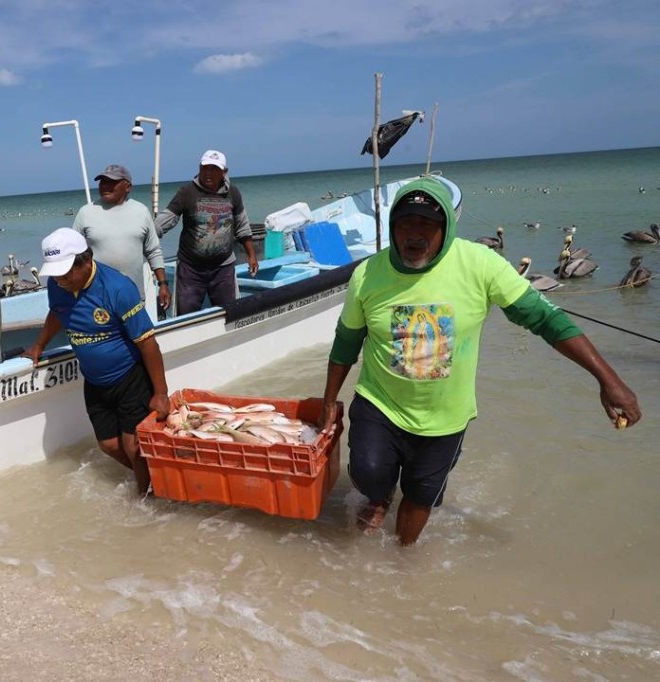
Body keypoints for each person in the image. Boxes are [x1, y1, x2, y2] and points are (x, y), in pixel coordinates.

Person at [318, 177, 641, 546]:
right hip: (380, 404)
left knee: (420, 498)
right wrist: (329, 401)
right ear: (393, 227)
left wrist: (608, 379)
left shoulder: (481, 264)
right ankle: (379, 496)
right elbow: (346, 341)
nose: (415, 234)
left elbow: (547, 320)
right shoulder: (367, 274)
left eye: (427, 223)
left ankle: (402, 567)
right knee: (367, 474)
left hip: (445, 418)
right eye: (406, 222)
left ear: (447, 228)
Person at [24, 228, 171, 494]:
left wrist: (161, 393)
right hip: (94, 381)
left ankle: (148, 501)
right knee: (109, 446)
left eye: (67, 273)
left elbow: (148, 342)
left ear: (87, 259)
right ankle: (156, 481)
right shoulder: (58, 285)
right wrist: (38, 345)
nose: (61, 281)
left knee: (134, 446)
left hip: (130, 377)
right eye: (56, 275)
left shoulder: (118, 288)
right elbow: (57, 313)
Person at [154, 150, 258, 315]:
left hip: (223, 268)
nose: (208, 173)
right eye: (205, 168)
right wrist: (144, 235)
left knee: (228, 314)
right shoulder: (187, 192)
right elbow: (164, 222)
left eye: (214, 169)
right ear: (199, 168)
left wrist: (251, 255)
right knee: (186, 317)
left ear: (224, 172)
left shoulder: (233, 193)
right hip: (191, 270)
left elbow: (242, 225)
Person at [72, 164, 170, 312]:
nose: (105, 186)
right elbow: (72, 253)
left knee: (137, 335)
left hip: (134, 295)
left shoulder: (141, 211)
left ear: (128, 187)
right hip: (97, 297)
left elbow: (153, 250)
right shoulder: (86, 212)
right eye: (102, 182)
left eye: (112, 182)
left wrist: (163, 284)